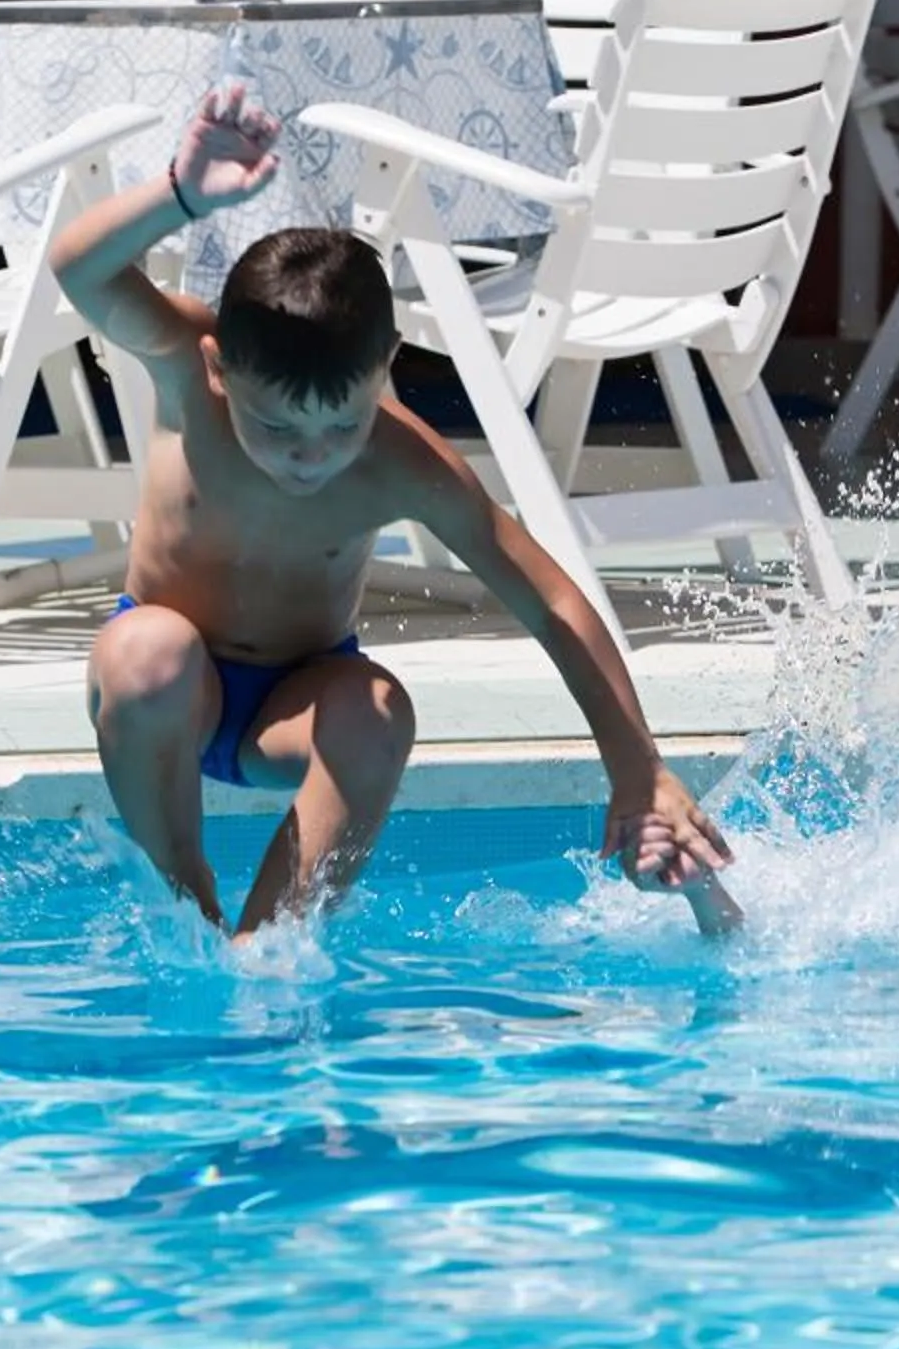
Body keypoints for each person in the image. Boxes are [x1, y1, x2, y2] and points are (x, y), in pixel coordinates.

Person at [52, 85, 741, 939]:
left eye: (340, 424)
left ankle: (268, 948)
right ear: (221, 368)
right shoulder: (185, 373)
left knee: (379, 708)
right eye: (273, 426)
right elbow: (78, 269)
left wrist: (637, 771)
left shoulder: (404, 465)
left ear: (384, 367)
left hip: (291, 711)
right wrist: (182, 198)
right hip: (167, 700)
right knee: (149, 651)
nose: (310, 454)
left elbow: (553, 601)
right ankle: (186, 907)